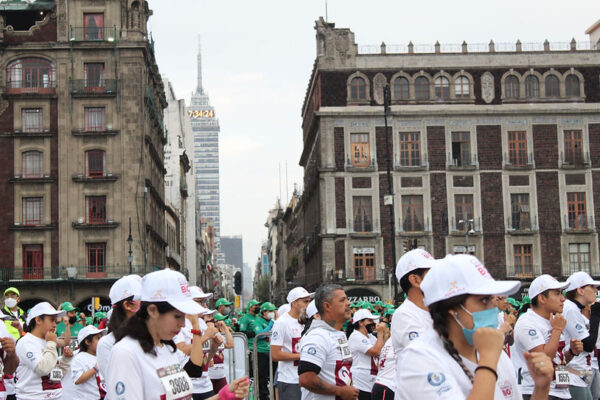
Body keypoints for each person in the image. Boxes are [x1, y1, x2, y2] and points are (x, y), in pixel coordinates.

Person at [396, 254, 554, 399]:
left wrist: (541, 389)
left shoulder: (497, 356)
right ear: (453, 309)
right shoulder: (420, 359)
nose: (493, 309)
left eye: (494, 299)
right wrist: (488, 360)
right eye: (484, 300)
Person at [105, 269, 211, 399]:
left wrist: (223, 396)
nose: (183, 324)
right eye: (177, 316)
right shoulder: (126, 353)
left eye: (184, 316)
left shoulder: (168, 348)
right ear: (153, 311)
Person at [512, 274, 571, 399]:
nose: (563, 299)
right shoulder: (527, 323)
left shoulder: (553, 320)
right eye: (557, 293)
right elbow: (544, 359)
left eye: (562, 293)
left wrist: (572, 352)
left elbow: (557, 359)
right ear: (542, 299)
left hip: (560, 390)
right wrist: (557, 330)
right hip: (536, 391)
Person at [298, 284, 359, 400]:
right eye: (342, 300)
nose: (348, 303)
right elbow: (306, 378)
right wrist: (340, 391)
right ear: (327, 306)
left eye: (347, 299)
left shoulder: (338, 333)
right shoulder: (318, 336)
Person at [16, 302, 73, 399]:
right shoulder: (26, 342)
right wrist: (51, 343)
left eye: (56, 321)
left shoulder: (48, 340)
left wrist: (65, 360)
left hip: (57, 396)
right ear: (38, 320)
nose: (55, 325)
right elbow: (43, 369)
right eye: (51, 320)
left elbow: (56, 376)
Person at [174, 288, 222, 400]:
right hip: (189, 385)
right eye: (200, 301)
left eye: (205, 302)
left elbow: (206, 359)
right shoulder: (179, 324)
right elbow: (182, 350)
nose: (204, 306)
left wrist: (215, 345)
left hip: (206, 384)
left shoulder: (201, 323)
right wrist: (205, 337)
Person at [391, 249, 435, 359]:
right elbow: (427, 355)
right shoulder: (404, 315)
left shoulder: (436, 310)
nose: (438, 277)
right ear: (415, 280)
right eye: (432, 273)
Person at [562, 271, 600, 400]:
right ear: (580, 291)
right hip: (572, 372)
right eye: (592, 287)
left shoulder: (575, 309)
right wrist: (595, 315)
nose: (596, 290)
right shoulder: (570, 308)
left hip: (580, 371)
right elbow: (588, 345)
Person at [96, 274, 142, 379]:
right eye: (143, 300)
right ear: (128, 305)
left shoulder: (155, 338)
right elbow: (117, 382)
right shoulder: (107, 344)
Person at [271, 287, 313, 400]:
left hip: (308, 379)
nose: (308, 304)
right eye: (305, 301)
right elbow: (275, 354)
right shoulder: (282, 323)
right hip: (290, 380)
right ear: (294, 303)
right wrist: (302, 356)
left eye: (309, 301)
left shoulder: (308, 321)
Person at [346, 309, 388, 400]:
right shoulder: (356, 336)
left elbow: (382, 351)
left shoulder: (371, 337)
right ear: (360, 323)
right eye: (369, 321)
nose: (373, 323)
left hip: (371, 381)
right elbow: (376, 351)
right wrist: (380, 333)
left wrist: (386, 333)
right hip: (360, 383)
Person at [71, 325, 107, 399]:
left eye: (101, 338)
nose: (101, 341)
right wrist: (94, 369)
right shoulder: (79, 358)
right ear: (87, 342)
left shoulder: (102, 355)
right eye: (97, 338)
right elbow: (77, 379)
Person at [2, 287, 24, 400]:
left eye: (12, 295)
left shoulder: (23, 314)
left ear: (18, 299)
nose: (9, 298)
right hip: (7, 351)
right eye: (7, 296)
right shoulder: (2, 315)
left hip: (21, 351)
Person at [252, 301, 277, 400]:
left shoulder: (275, 320)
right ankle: (263, 396)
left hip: (272, 351)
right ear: (264, 312)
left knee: (275, 375)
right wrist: (271, 324)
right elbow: (260, 335)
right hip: (261, 351)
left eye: (273, 311)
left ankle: (275, 395)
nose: (272, 312)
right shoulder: (257, 321)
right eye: (270, 311)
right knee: (262, 377)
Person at [209, 313, 235, 393]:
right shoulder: (206, 335)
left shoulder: (219, 335)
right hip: (209, 376)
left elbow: (230, 344)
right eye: (221, 321)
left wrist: (226, 328)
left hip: (220, 376)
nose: (223, 322)